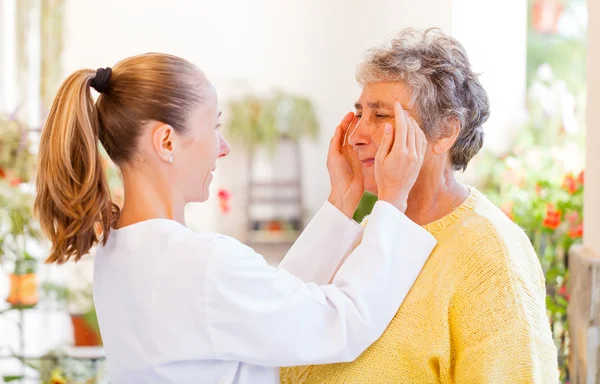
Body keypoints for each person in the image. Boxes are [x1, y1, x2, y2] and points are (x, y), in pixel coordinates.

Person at [33, 52, 437, 384]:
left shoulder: (119, 250)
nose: (223, 147)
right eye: (215, 127)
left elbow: (272, 301)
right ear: (167, 141)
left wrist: (341, 202)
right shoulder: (199, 265)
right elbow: (342, 323)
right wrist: (392, 202)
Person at [280, 28, 558, 384]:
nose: (358, 135)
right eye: (359, 114)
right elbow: (289, 333)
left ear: (444, 132)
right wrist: (342, 202)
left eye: (381, 116)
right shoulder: (369, 231)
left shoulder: (490, 255)